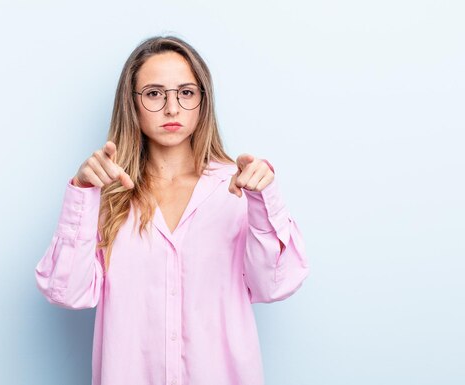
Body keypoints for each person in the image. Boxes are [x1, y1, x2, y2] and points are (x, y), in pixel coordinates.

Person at [34, 35, 310, 385]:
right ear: (131, 103)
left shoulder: (238, 189)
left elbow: (276, 286)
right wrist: (83, 193)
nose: (171, 108)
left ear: (202, 101)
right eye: (154, 93)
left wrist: (265, 199)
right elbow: (67, 293)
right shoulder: (106, 198)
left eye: (185, 92)